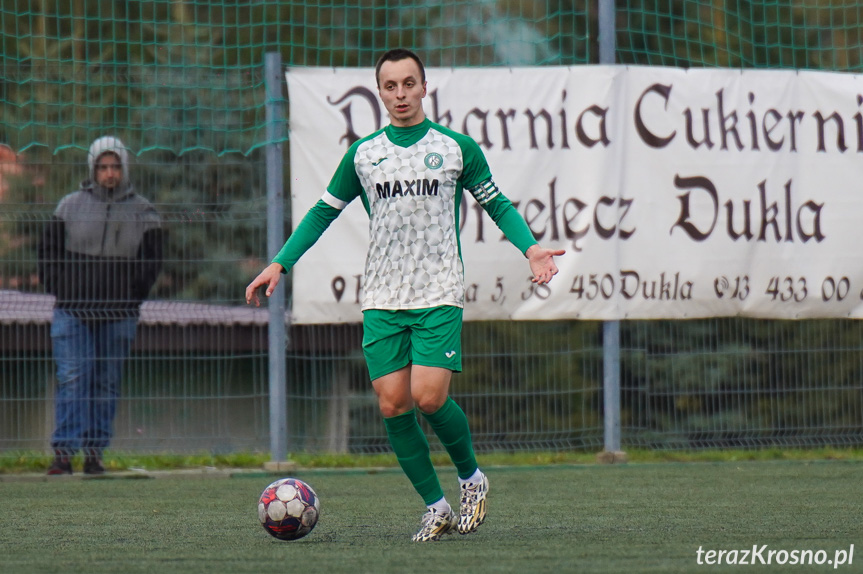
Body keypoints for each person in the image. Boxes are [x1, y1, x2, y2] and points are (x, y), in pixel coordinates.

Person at [245, 48, 564, 542]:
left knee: (428, 397)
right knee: (393, 405)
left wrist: (532, 249)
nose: (400, 94)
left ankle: (472, 478)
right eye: (390, 86)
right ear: (380, 92)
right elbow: (321, 212)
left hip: (438, 290)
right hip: (382, 295)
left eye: (408, 84)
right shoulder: (364, 154)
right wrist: (280, 262)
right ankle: (435, 507)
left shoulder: (456, 148)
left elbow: (497, 204)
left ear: (424, 86)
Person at [38, 135, 163, 475]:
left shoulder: (144, 212)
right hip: (72, 311)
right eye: (103, 166)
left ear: (124, 168)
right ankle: (63, 455)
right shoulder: (68, 206)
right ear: (93, 168)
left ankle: (94, 454)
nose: (109, 173)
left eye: (115, 166)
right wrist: (63, 288)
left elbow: (152, 262)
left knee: (106, 382)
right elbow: (47, 253)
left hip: (119, 313)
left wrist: (132, 294)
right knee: (73, 378)